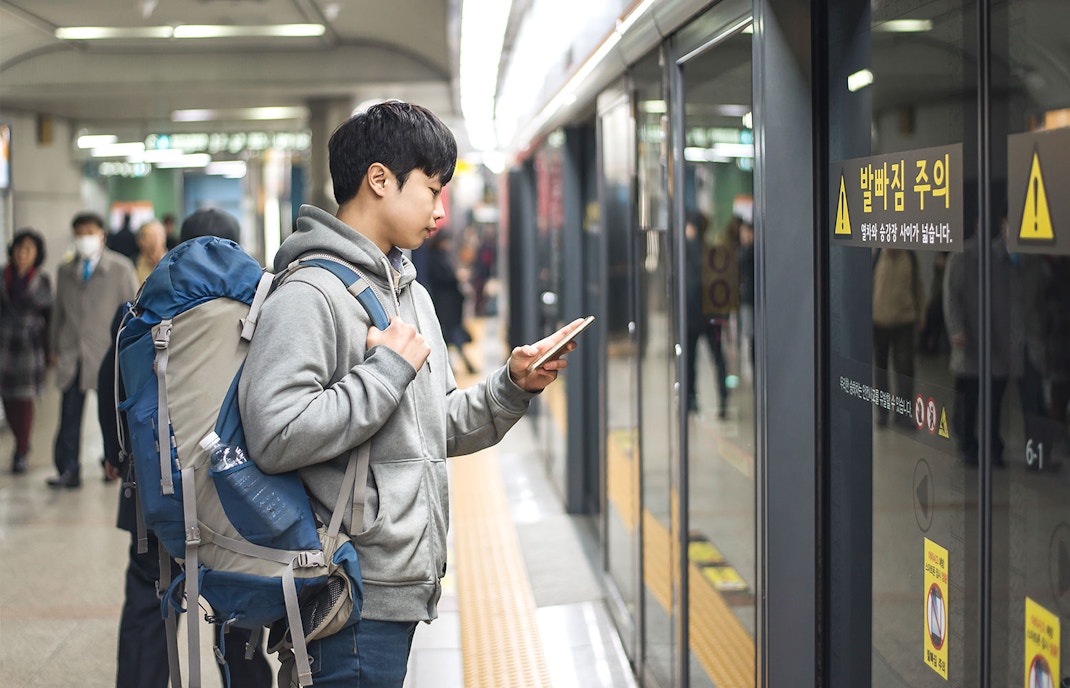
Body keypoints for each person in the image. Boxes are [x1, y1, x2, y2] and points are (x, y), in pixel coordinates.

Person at [238, 100, 581, 688]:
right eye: (432, 189)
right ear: (379, 180)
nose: (442, 212)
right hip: (348, 596)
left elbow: (435, 423)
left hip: (400, 589)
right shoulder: (311, 294)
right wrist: (385, 372)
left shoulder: (408, 292)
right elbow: (274, 432)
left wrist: (510, 387)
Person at [99, 208, 272, 687]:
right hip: (237, 493)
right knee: (239, 612)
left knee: (148, 606)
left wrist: (117, 459)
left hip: (153, 496)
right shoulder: (265, 308)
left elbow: (111, 386)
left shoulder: (139, 309)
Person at [46, 211, 139, 488]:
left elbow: (133, 310)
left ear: (102, 235)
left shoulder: (121, 268)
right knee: (69, 414)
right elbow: (58, 313)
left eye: (90, 233)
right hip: (72, 352)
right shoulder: (65, 271)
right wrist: (54, 347)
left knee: (110, 413)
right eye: (80, 233)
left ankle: (112, 460)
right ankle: (68, 469)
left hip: (106, 353)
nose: (85, 238)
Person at [944, 220, 1023, 465]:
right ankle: (968, 444)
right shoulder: (962, 256)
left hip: (999, 342)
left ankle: (992, 445)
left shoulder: (1007, 259)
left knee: (995, 400)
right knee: (970, 398)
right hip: (971, 343)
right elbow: (951, 296)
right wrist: (956, 329)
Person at [1, 229, 53, 473]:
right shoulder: (3, 276)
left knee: (25, 398)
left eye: (29, 250)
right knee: (7, 396)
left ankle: (21, 449)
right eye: (20, 249)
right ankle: (18, 437)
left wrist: (50, 348)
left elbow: (49, 314)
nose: (23, 254)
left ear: (36, 255)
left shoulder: (41, 280)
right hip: (4, 342)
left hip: (30, 344)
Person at [684, 210, 733, 418]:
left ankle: (691, 400)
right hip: (711, 317)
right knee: (718, 358)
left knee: (690, 360)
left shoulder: (686, 252)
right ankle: (723, 399)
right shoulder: (711, 251)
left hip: (692, 317)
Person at [872, 247, 925, 427]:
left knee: (905, 371)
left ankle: (903, 415)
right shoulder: (878, 255)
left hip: (904, 322)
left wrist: (922, 315)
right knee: (881, 372)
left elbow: (918, 288)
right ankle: (883, 413)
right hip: (879, 322)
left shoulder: (910, 256)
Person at [424, 229, 477, 374]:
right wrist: (457, 277)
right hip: (446, 304)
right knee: (451, 335)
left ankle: (453, 367)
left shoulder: (441, 256)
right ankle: (458, 366)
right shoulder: (436, 258)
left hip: (449, 304)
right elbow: (443, 278)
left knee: (451, 336)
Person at [134, 219, 168, 283]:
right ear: (140, 241)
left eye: (159, 235)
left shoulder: (174, 264)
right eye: (150, 236)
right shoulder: (135, 264)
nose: (156, 241)